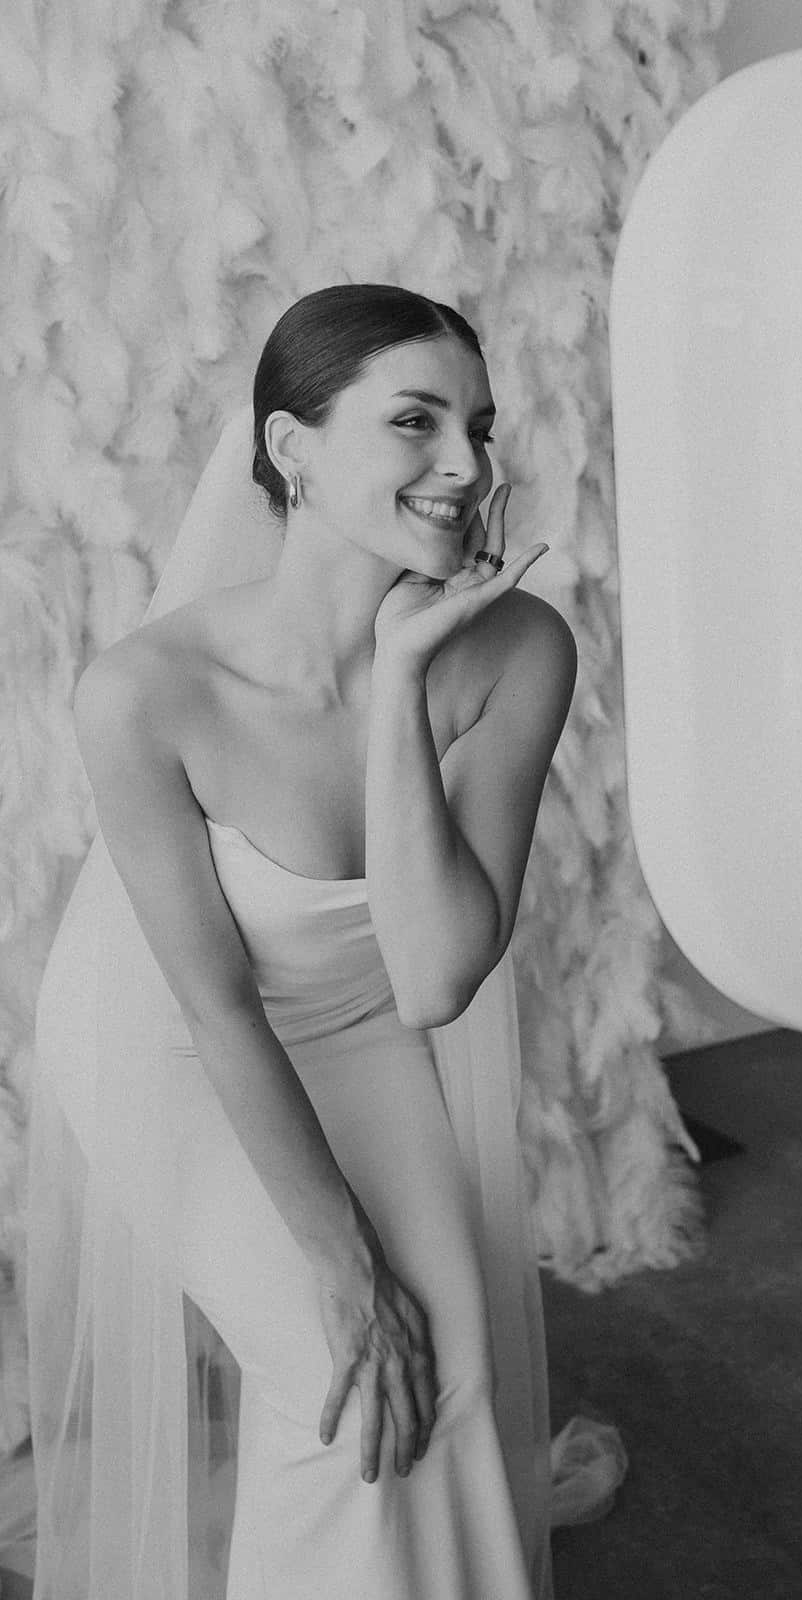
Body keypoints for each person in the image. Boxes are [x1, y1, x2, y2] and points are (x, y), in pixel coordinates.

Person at [26, 284, 588, 1599]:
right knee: (344, 1398)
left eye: (480, 425)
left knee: (443, 1377)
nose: (466, 464)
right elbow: (216, 1006)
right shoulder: (146, 694)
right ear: (290, 452)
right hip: (167, 1043)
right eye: (414, 422)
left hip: (365, 1023)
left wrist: (399, 684)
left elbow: (440, 975)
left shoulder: (516, 653)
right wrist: (341, 1263)